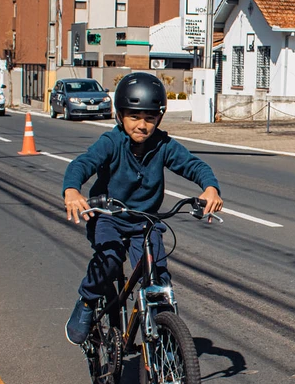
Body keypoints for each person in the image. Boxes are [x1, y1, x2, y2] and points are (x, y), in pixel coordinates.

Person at [61, 73, 224, 345]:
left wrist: (210, 188)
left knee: (156, 274)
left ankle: (163, 333)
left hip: (144, 222)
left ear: (158, 118)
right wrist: (72, 190)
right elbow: (82, 163)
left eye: (149, 118)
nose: (142, 125)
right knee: (110, 259)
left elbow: (195, 165)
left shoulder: (163, 145)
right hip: (108, 217)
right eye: (134, 117)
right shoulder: (111, 142)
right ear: (120, 115)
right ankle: (87, 302)